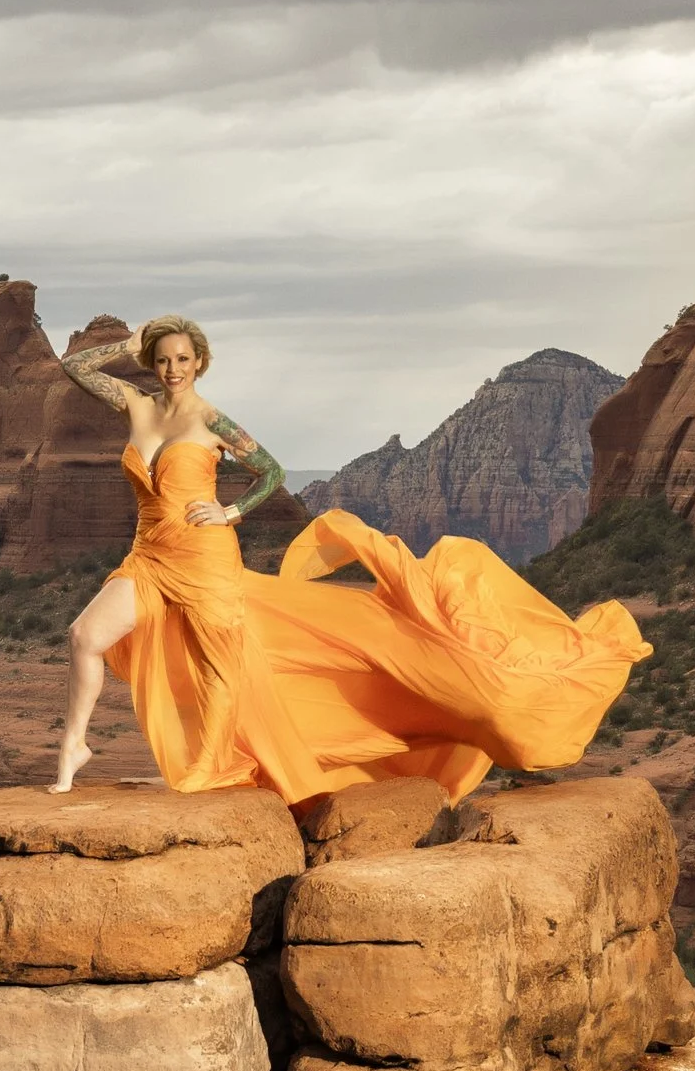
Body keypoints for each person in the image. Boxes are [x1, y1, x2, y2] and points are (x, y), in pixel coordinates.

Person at [49, 313, 650, 804]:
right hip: (148, 555)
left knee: (221, 668)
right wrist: (128, 343)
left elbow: (272, 472)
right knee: (85, 635)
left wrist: (230, 513)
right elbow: (73, 366)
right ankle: (74, 746)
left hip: (205, 557)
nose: (173, 369)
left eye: (184, 359)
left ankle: (211, 765)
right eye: (164, 358)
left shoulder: (213, 421)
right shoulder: (134, 404)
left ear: (199, 363)